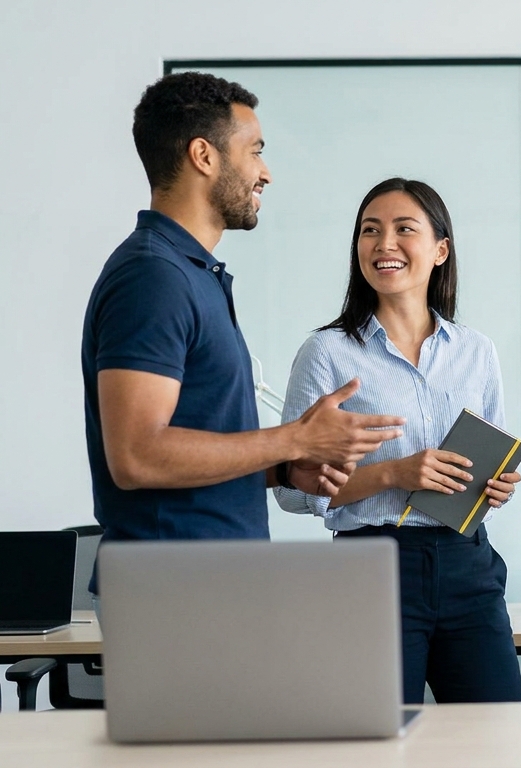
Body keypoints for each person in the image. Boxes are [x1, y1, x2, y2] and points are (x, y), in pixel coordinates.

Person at [81, 72, 405, 600]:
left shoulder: (191, 274)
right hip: (174, 589)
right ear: (204, 157)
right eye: (254, 150)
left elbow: (188, 452)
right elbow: (137, 455)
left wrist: (283, 467)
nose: (265, 172)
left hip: (212, 583)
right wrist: (295, 437)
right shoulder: (153, 278)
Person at [274, 178, 521, 704]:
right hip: (372, 572)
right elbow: (293, 493)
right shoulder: (326, 354)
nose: (383, 244)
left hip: (469, 567)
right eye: (370, 231)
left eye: (402, 229)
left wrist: (496, 486)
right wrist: (393, 473)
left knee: (497, 739)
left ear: (440, 250)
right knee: (380, 746)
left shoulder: (476, 351)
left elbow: (491, 457)